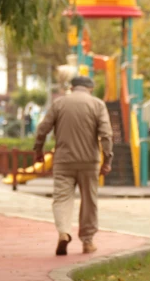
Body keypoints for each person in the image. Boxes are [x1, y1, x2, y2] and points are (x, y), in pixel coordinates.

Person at [34, 75, 113, 256]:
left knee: (61, 198)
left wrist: (38, 150)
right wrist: (107, 160)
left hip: (63, 161)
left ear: (72, 87)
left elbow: (43, 129)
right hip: (89, 162)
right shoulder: (97, 105)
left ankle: (63, 232)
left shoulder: (59, 103)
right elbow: (106, 135)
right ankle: (87, 241)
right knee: (89, 201)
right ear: (90, 88)